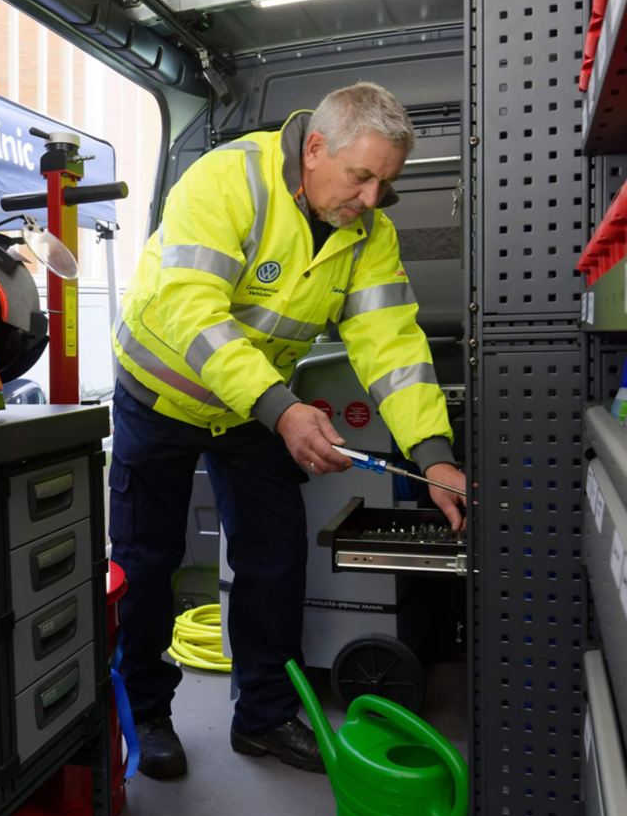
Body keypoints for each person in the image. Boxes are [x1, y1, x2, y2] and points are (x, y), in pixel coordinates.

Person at [109, 81, 467, 780]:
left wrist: (434, 457)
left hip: (251, 406)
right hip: (161, 395)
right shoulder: (223, 181)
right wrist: (282, 409)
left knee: (274, 553)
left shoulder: (368, 233)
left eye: (384, 185)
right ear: (313, 148)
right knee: (147, 559)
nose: (370, 200)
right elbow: (192, 313)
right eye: (360, 177)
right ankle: (147, 712)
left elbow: (391, 347)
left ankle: (265, 716)